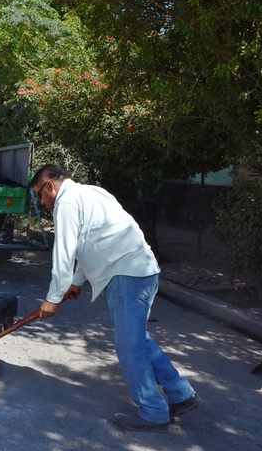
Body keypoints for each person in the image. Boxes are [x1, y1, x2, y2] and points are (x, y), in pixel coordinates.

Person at [30, 164, 201, 433]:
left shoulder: (66, 203)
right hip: (143, 269)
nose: (43, 202)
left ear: (49, 186)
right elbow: (91, 241)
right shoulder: (93, 192)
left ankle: (154, 413)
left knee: (129, 345)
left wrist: (52, 298)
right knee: (138, 338)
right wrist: (76, 282)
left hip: (124, 274)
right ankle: (181, 393)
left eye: (40, 195)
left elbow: (64, 250)